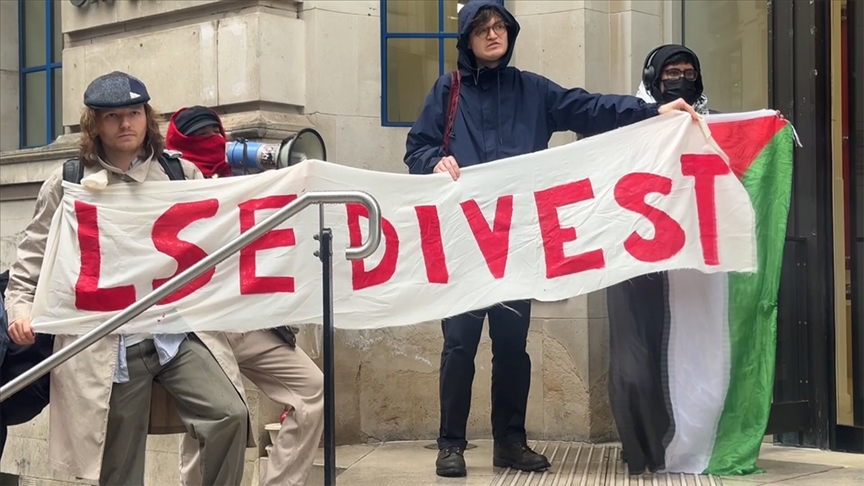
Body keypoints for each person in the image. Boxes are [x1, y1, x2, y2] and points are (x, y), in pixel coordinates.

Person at [404, 1, 699, 478]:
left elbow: (590, 107)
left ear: (510, 33)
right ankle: (451, 444)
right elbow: (417, 147)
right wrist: (432, 162)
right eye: (483, 28)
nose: (494, 34)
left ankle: (510, 443)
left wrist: (652, 112)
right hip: (465, 241)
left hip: (517, 240)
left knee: (512, 346)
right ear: (467, 39)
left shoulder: (533, 90)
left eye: (501, 26)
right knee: (459, 344)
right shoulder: (448, 90)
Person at [4, 71, 254, 486]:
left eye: (134, 113)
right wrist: (21, 309)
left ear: (147, 117)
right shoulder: (67, 182)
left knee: (229, 414)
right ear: (94, 124)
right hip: (105, 341)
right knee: (118, 465)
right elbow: (29, 261)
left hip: (175, 330)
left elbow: (223, 235)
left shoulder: (179, 174)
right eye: (113, 115)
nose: (125, 124)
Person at [166, 105, 326, 486]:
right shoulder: (164, 178)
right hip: (196, 325)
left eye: (214, 137)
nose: (211, 146)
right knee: (212, 418)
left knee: (311, 390)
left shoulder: (240, 180)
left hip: (246, 318)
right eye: (200, 139)